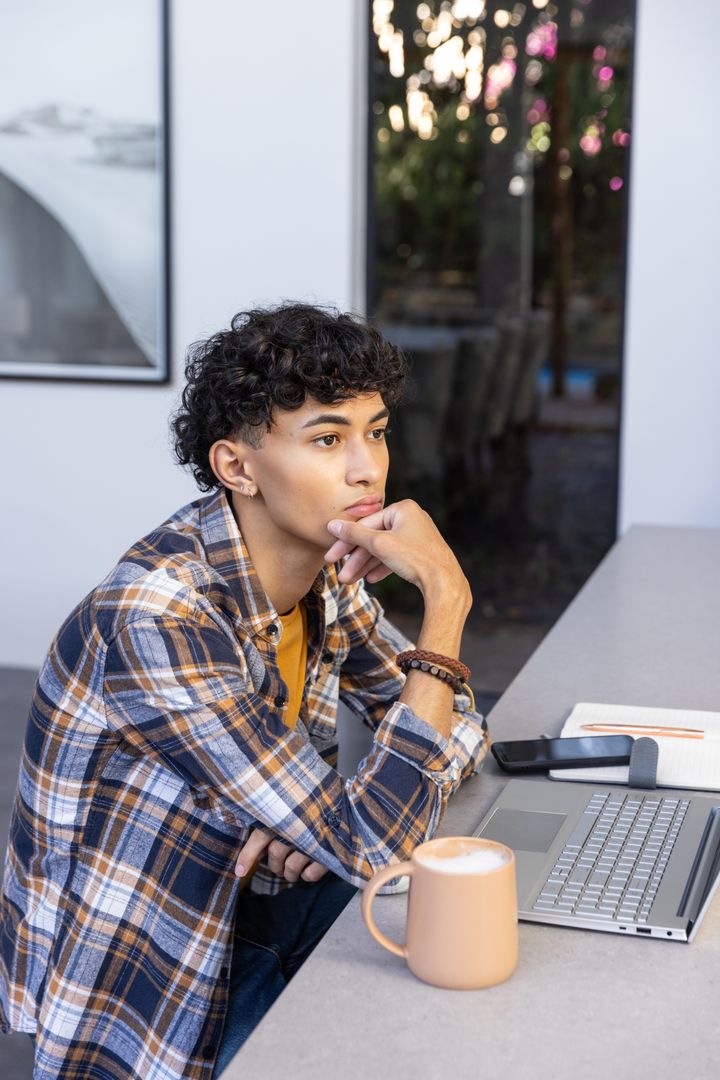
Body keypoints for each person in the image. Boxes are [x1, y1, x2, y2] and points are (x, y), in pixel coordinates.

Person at [0, 303, 489, 1079]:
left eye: (377, 430)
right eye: (329, 438)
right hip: (159, 974)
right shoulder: (157, 617)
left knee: (467, 999)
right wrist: (448, 599)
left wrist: (325, 818)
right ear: (237, 468)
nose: (368, 468)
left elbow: (459, 723)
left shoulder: (325, 568)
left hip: (261, 908)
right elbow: (377, 838)